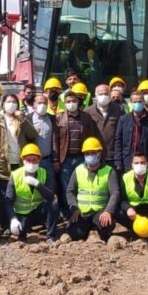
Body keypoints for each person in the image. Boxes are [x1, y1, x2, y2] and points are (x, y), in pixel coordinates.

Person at [0, 93, 38, 219]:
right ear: (3, 104)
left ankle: (19, 219)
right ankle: (5, 222)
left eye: (14, 102)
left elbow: (33, 135)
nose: (11, 104)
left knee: (18, 192)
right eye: (8, 101)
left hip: (19, 162)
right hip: (3, 163)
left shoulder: (22, 119)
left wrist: (23, 120)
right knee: (5, 195)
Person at [52, 89, 101, 218]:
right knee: (67, 188)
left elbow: (93, 135)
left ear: (78, 102)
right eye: (68, 101)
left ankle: (82, 213)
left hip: (82, 158)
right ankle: (69, 213)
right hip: (66, 159)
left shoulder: (86, 117)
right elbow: (55, 140)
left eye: (74, 101)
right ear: (64, 103)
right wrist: (56, 159)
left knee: (82, 186)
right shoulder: (59, 118)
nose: (71, 103)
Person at [66, 137, 119, 241]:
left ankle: (97, 231)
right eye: (87, 153)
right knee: (75, 234)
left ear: (99, 153)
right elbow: (70, 191)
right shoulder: (78, 170)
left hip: (100, 212)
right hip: (82, 212)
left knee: (106, 227)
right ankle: (88, 231)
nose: (90, 156)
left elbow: (115, 193)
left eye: (93, 153)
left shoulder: (109, 171)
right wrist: (74, 207)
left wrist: (108, 211)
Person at [4, 143, 59, 242]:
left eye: (34, 160)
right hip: (21, 214)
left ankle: (51, 236)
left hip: (37, 212)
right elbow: (8, 201)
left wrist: (38, 184)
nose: (31, 163)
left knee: (54, 204)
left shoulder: (44, 173)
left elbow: (50, 196)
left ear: (39, 160)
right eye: (28, 160)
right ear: (23, 160)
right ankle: (22, 233)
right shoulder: (15, 175)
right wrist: (13, 218)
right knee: (21, 233)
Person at [117, 152, 148, 238]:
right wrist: (128, 208)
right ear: (132, 165)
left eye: (142, 162)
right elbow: (122, 199)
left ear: (147, 164)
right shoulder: (125, 177)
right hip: (134, 211)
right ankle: (135, 232)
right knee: (117, 212)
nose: (139, 165)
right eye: (136, 163)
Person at [113, 89, 148, 174]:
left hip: (145, 161)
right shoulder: (123, 119)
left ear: (143, 102)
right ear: (131, 103)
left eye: (140, 101)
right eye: (135, 102)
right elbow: (118, 141)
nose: (137, 104)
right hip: (127, 161)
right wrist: (118, 161)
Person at [86, 83, 122, 166]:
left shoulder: (118, 110)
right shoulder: (88, 112)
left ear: (110, 95)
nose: (103, 96)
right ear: (95, 95)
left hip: (112, 157)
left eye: (106, 94)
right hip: (95, 156)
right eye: (101, 94)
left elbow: (121, 134)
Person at [29, 92, 56, 182]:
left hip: (48, 160)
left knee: (49, 187)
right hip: (32, 160)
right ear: (34, 104)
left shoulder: (52, 119)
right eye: (39, 103)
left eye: (45, 103)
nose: (42, 105)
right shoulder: (27, 119)